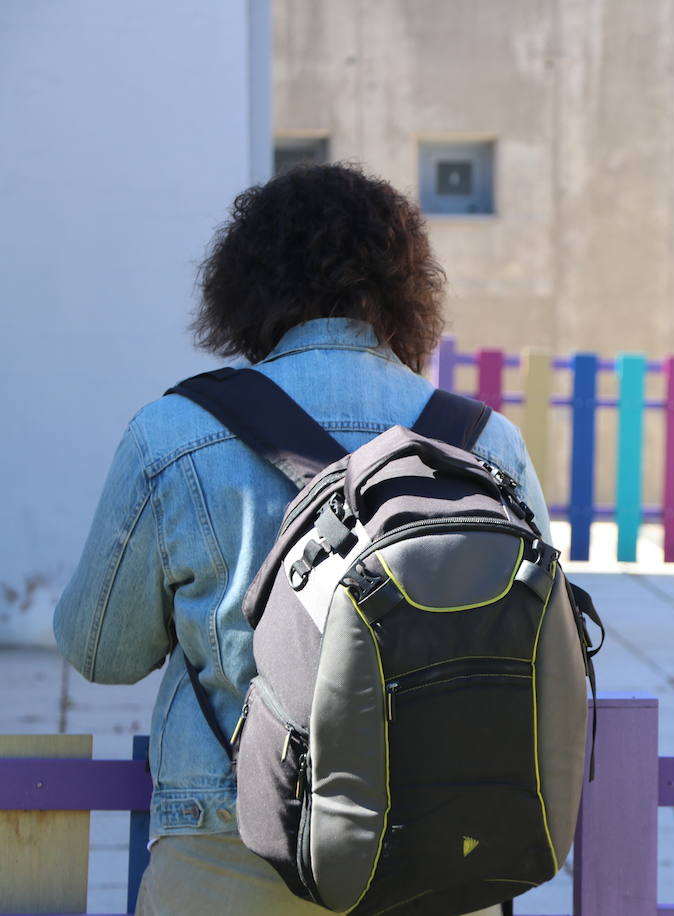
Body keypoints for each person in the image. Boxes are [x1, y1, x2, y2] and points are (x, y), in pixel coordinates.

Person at [53, 163, 550, 915]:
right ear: (407, 292)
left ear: (246, 287)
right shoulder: (485, 442)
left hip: (231, 847)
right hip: (444, 855)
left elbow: (101, 653)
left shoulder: (175, 435)